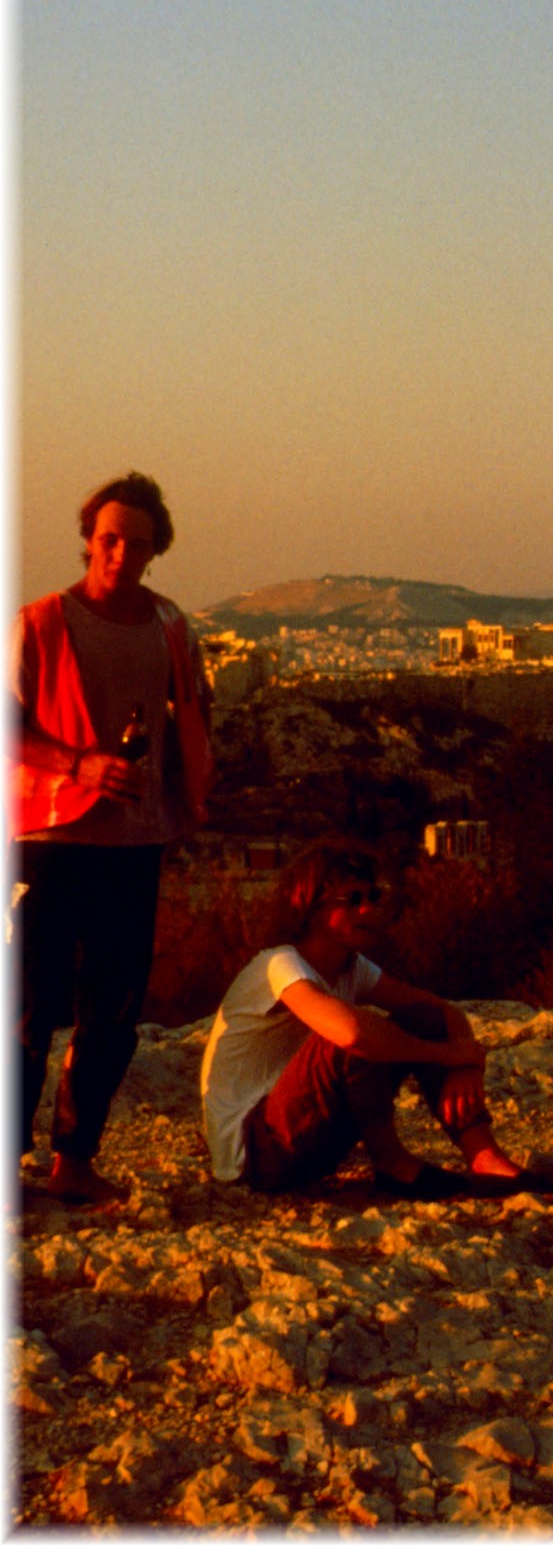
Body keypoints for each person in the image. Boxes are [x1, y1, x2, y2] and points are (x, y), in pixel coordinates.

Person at [12, 471, 213, 1204]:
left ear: (156, 548)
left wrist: (188, 798)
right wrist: (78, 763)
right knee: (27, 1011)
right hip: (46, 837)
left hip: (132, 842)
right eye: (108, 539)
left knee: (114, 1012)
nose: (119, 554)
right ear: (88, 541)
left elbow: (188, 717)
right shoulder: (38, 623)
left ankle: (75, 1159)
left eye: (136, 541)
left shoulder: (169, 626)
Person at [200, 840, 553, 1200]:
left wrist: (466, 1061)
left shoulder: (350, 967)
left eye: (373, 896)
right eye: (352, 900)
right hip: (258, 1154)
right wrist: (447, 1055)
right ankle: (392, 1164)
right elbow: (351, 1034)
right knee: (351, 1035)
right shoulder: (279, 964)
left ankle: (485, 1156)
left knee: (423, 1019)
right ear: (309, 907)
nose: (369, 909)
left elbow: (441, 1010)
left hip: (308, 1141)